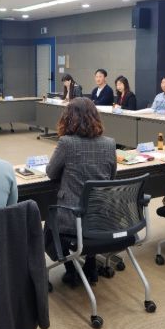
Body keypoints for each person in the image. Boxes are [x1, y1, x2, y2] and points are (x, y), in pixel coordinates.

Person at [45, 97, 117, 286]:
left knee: (49, 223)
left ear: (69, 118)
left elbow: (51, 173)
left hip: (71, 219)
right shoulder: (109, 144)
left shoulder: (66, 143)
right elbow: (112, 178)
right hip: (101, 217)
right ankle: (90, 264)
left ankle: (71, 269)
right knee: (90, 208)